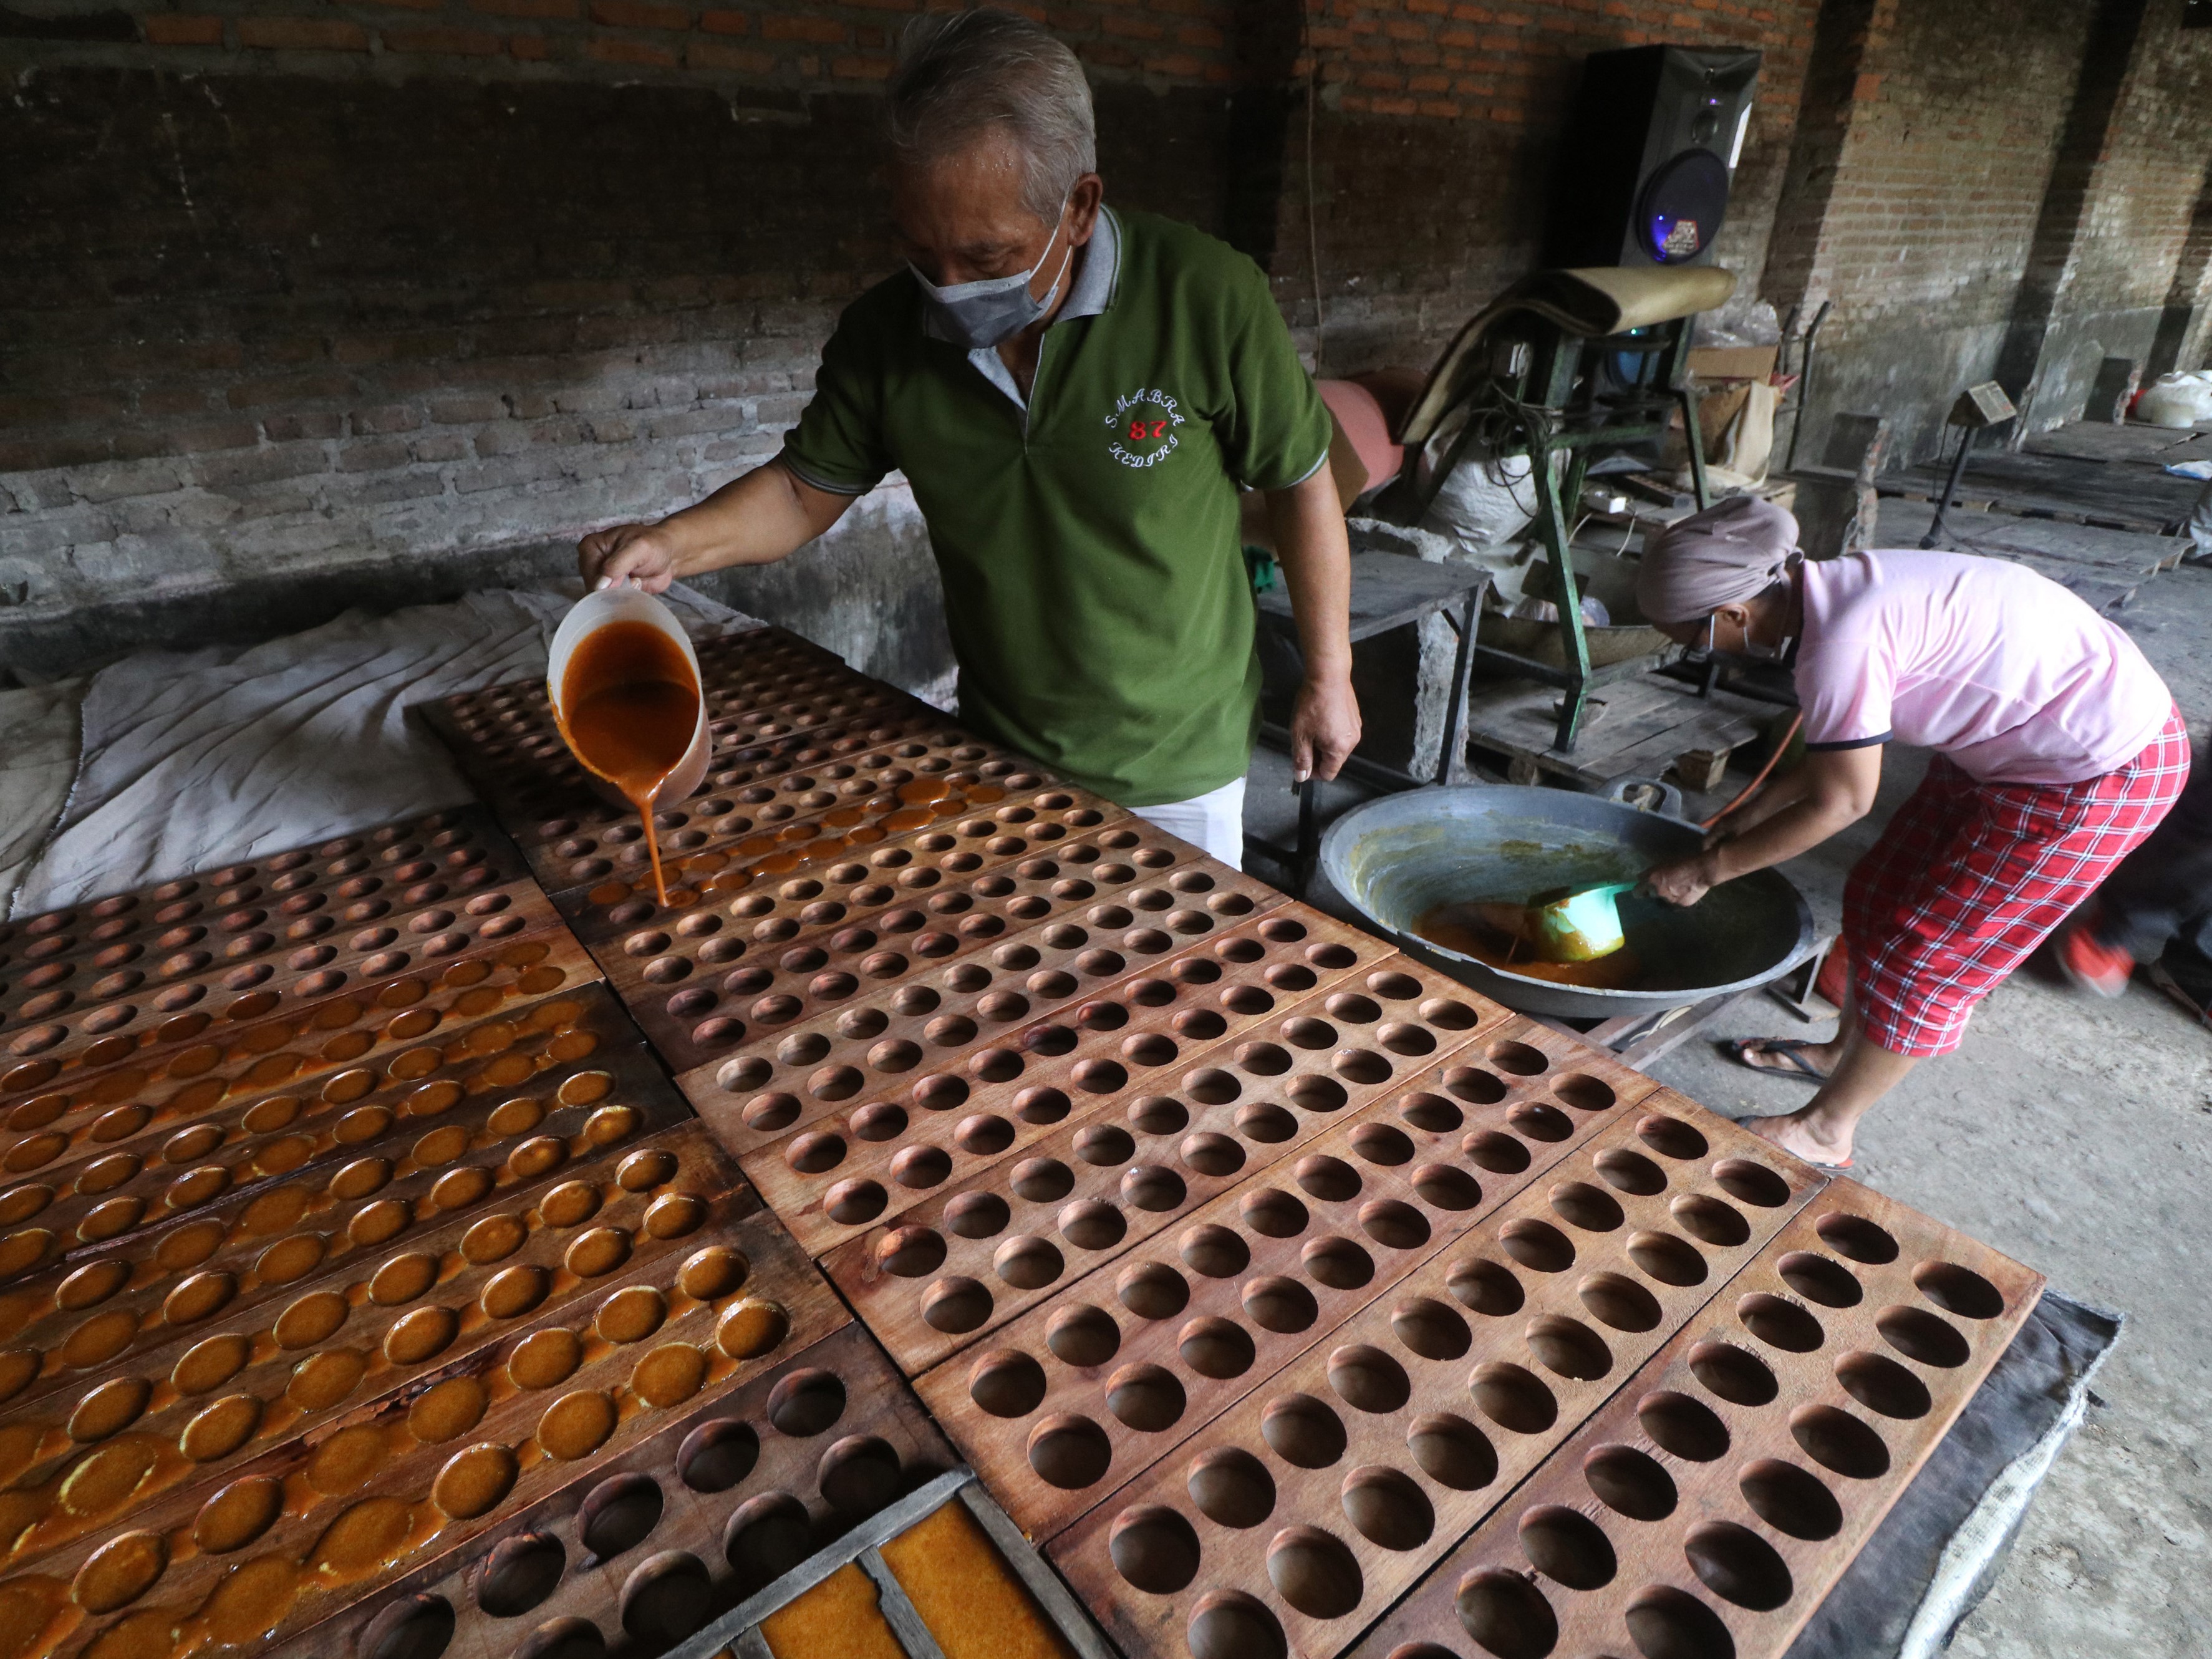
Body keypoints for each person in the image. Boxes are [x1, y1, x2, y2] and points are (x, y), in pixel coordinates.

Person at [576, 9, 1360, 866]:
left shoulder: (1204, 299)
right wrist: (672, 543)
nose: (948, 291)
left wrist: (1328, 675)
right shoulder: (885, 333)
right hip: (995, 742)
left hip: (1178, 760)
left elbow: (1300, 481)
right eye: (921, 253)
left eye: (987, 259)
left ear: (1080, 208)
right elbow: (803, 491)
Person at [1637, 496, 2186, 1171]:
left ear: (1732, 615)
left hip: (2099, 769)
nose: (1693, 653)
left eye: (1689, 640)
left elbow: (1842, 802)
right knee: (1878, 893)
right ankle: (1841, 1054)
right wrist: (1757, 810)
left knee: (1930, 953)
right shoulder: (1835, 592)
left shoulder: (1841, 640)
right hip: (2020, 741)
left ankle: (1826, 1129)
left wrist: (1706, 871)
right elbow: (1844, 742)